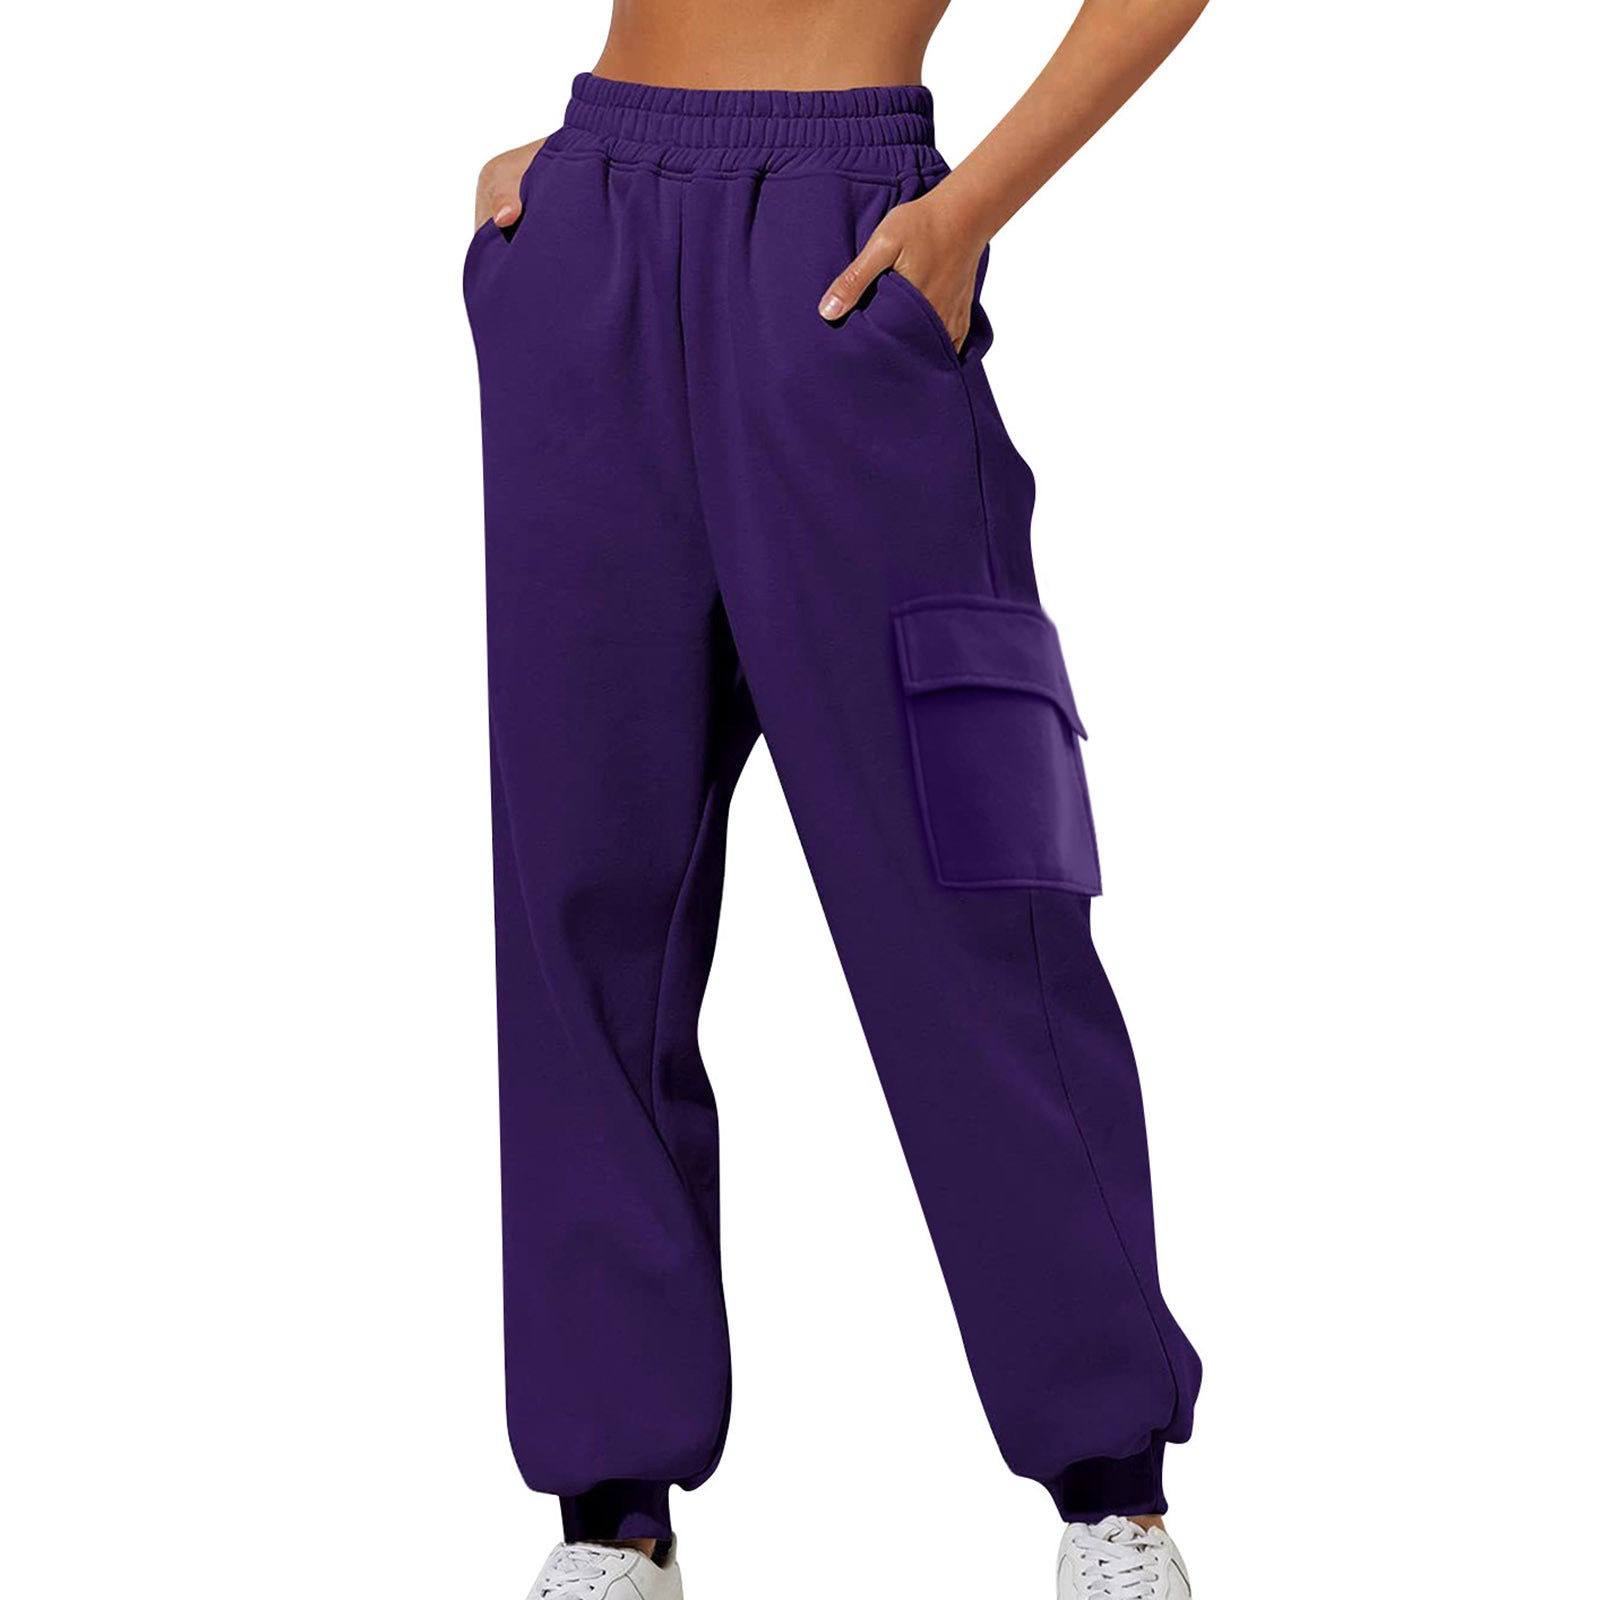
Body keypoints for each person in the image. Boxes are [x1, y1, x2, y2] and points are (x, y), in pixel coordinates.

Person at [465, 1, 1209, 1594]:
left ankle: (1111, 1490)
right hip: (592, 233)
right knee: (585, 904)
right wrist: (578, 170)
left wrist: (964, 217)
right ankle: (612, 1516)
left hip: (845, 244)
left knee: (970, 887)